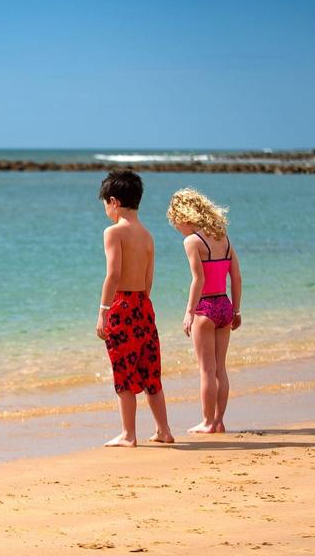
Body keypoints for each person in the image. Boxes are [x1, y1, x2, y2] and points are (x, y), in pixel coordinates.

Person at [96, 169, 174, 447]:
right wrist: (141, 304)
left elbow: (113, 274)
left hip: (122, 305)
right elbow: (149, 278)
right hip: (144, 303)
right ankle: (163, 429)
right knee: (150, 371)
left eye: (105, 204)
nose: (106, 209)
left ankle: (129, 434)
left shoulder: (113, 232)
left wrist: (104, 310)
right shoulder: (147, 235)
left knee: (124, 370)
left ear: (114, 201)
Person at [166, 188, 242, 433]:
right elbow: (236, 277)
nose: (178, 229)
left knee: (206, 370)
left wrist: (189, 312)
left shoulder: (192, 241)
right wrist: (237, 311)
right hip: (225, 305)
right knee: (221, 368)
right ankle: (219, 421)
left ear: (185, 217)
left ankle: (207, 422)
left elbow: (197, 280)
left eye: (177, 224)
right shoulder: (224, 238)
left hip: (206, 308)